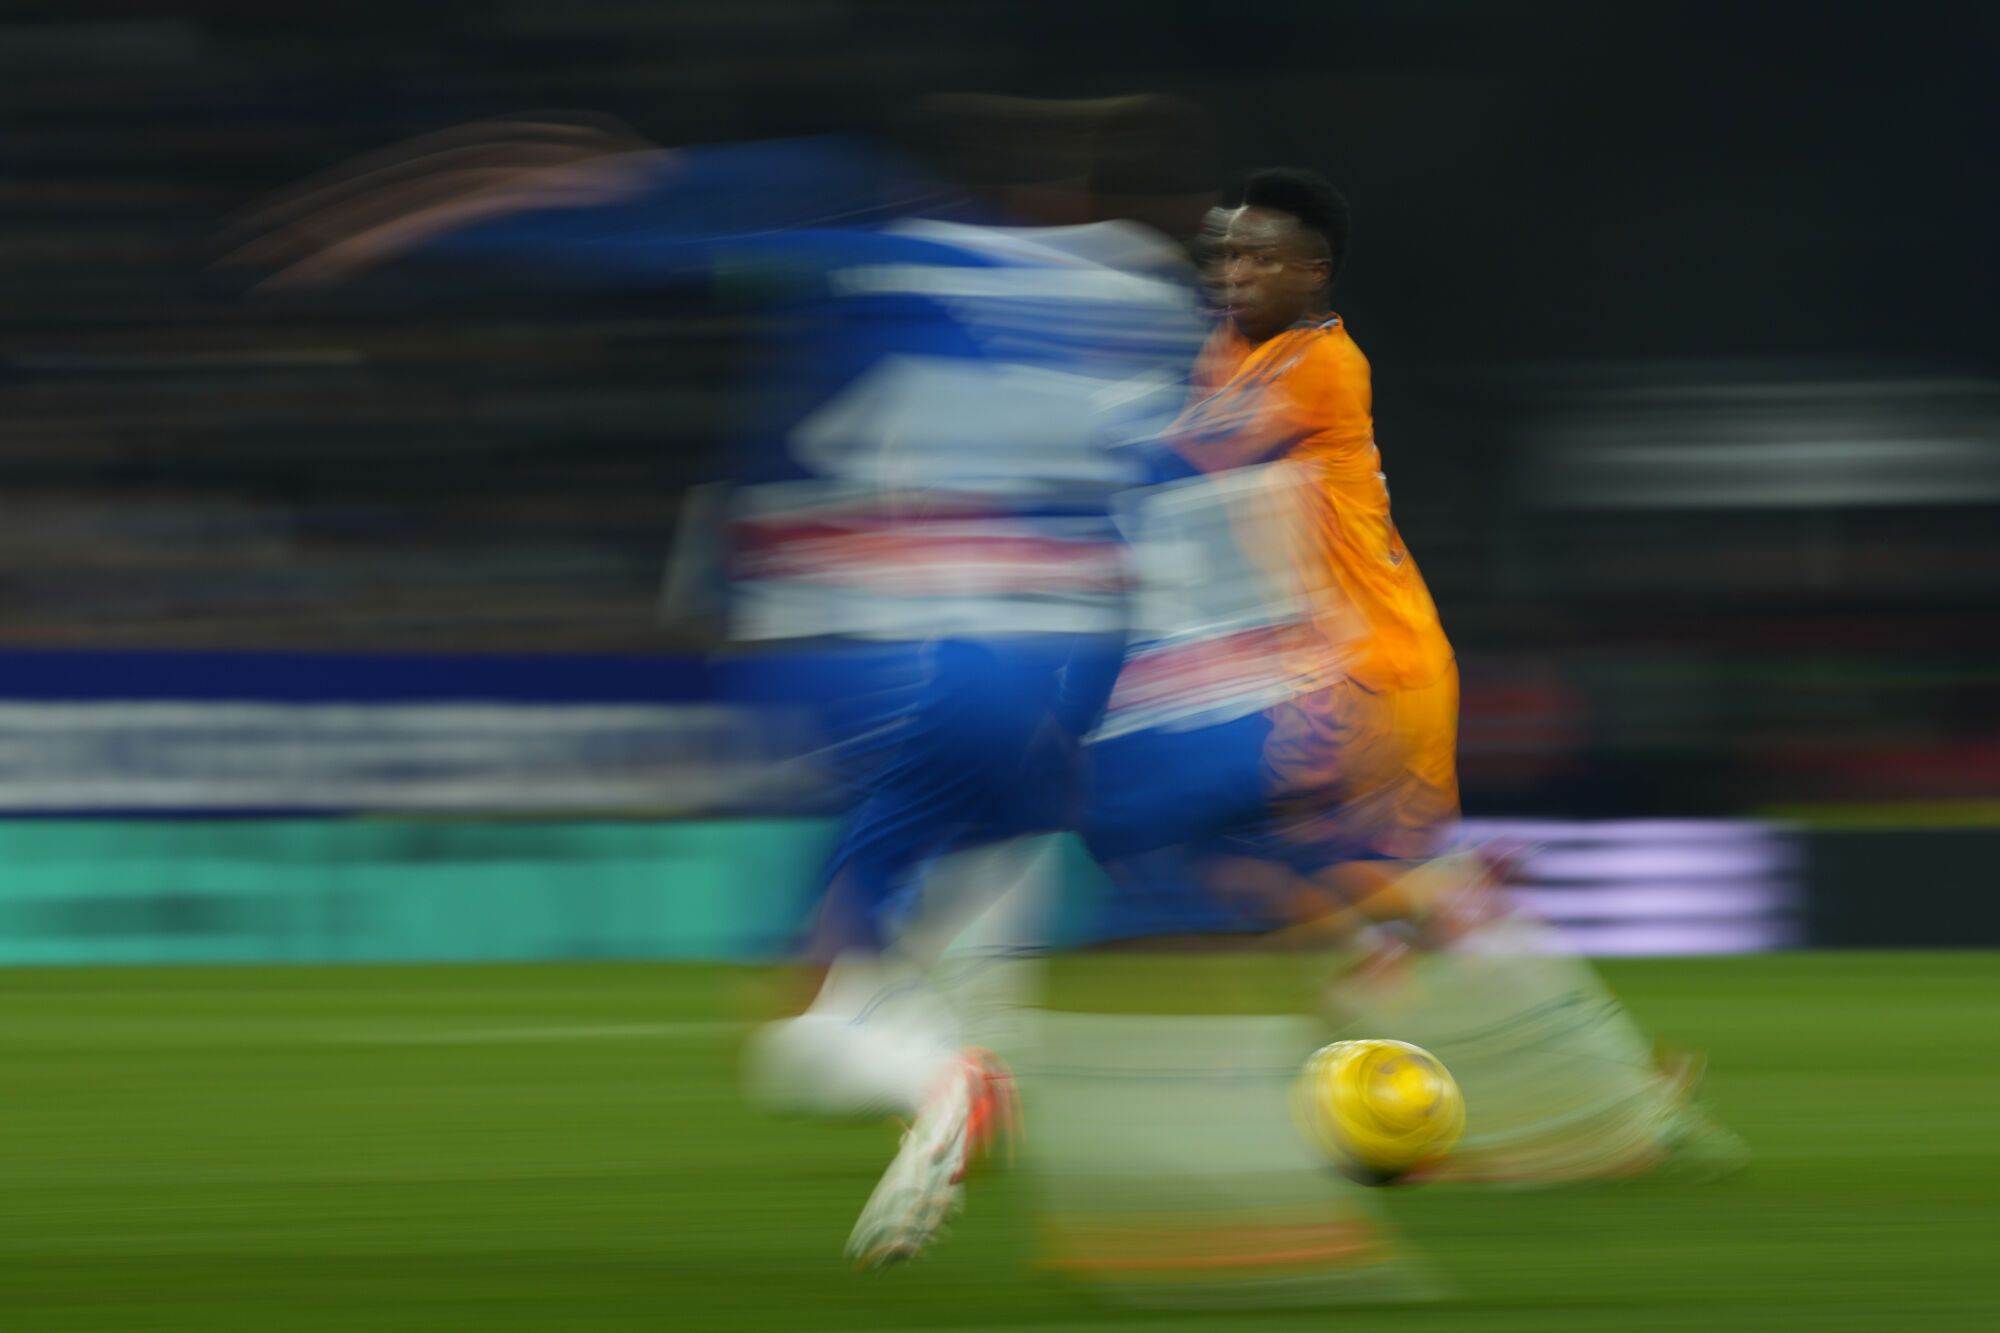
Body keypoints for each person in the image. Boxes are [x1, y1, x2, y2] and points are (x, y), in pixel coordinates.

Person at [227, 102, 1216, 1265]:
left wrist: (435, 219)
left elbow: (622, 233)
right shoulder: (1152, 298)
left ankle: (941, 1072)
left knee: (805, 1027)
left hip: (900, 651)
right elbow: (1188, 486)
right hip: (1066, 664)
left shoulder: (884, 239)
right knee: (965, 885)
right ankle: (971, 1073)